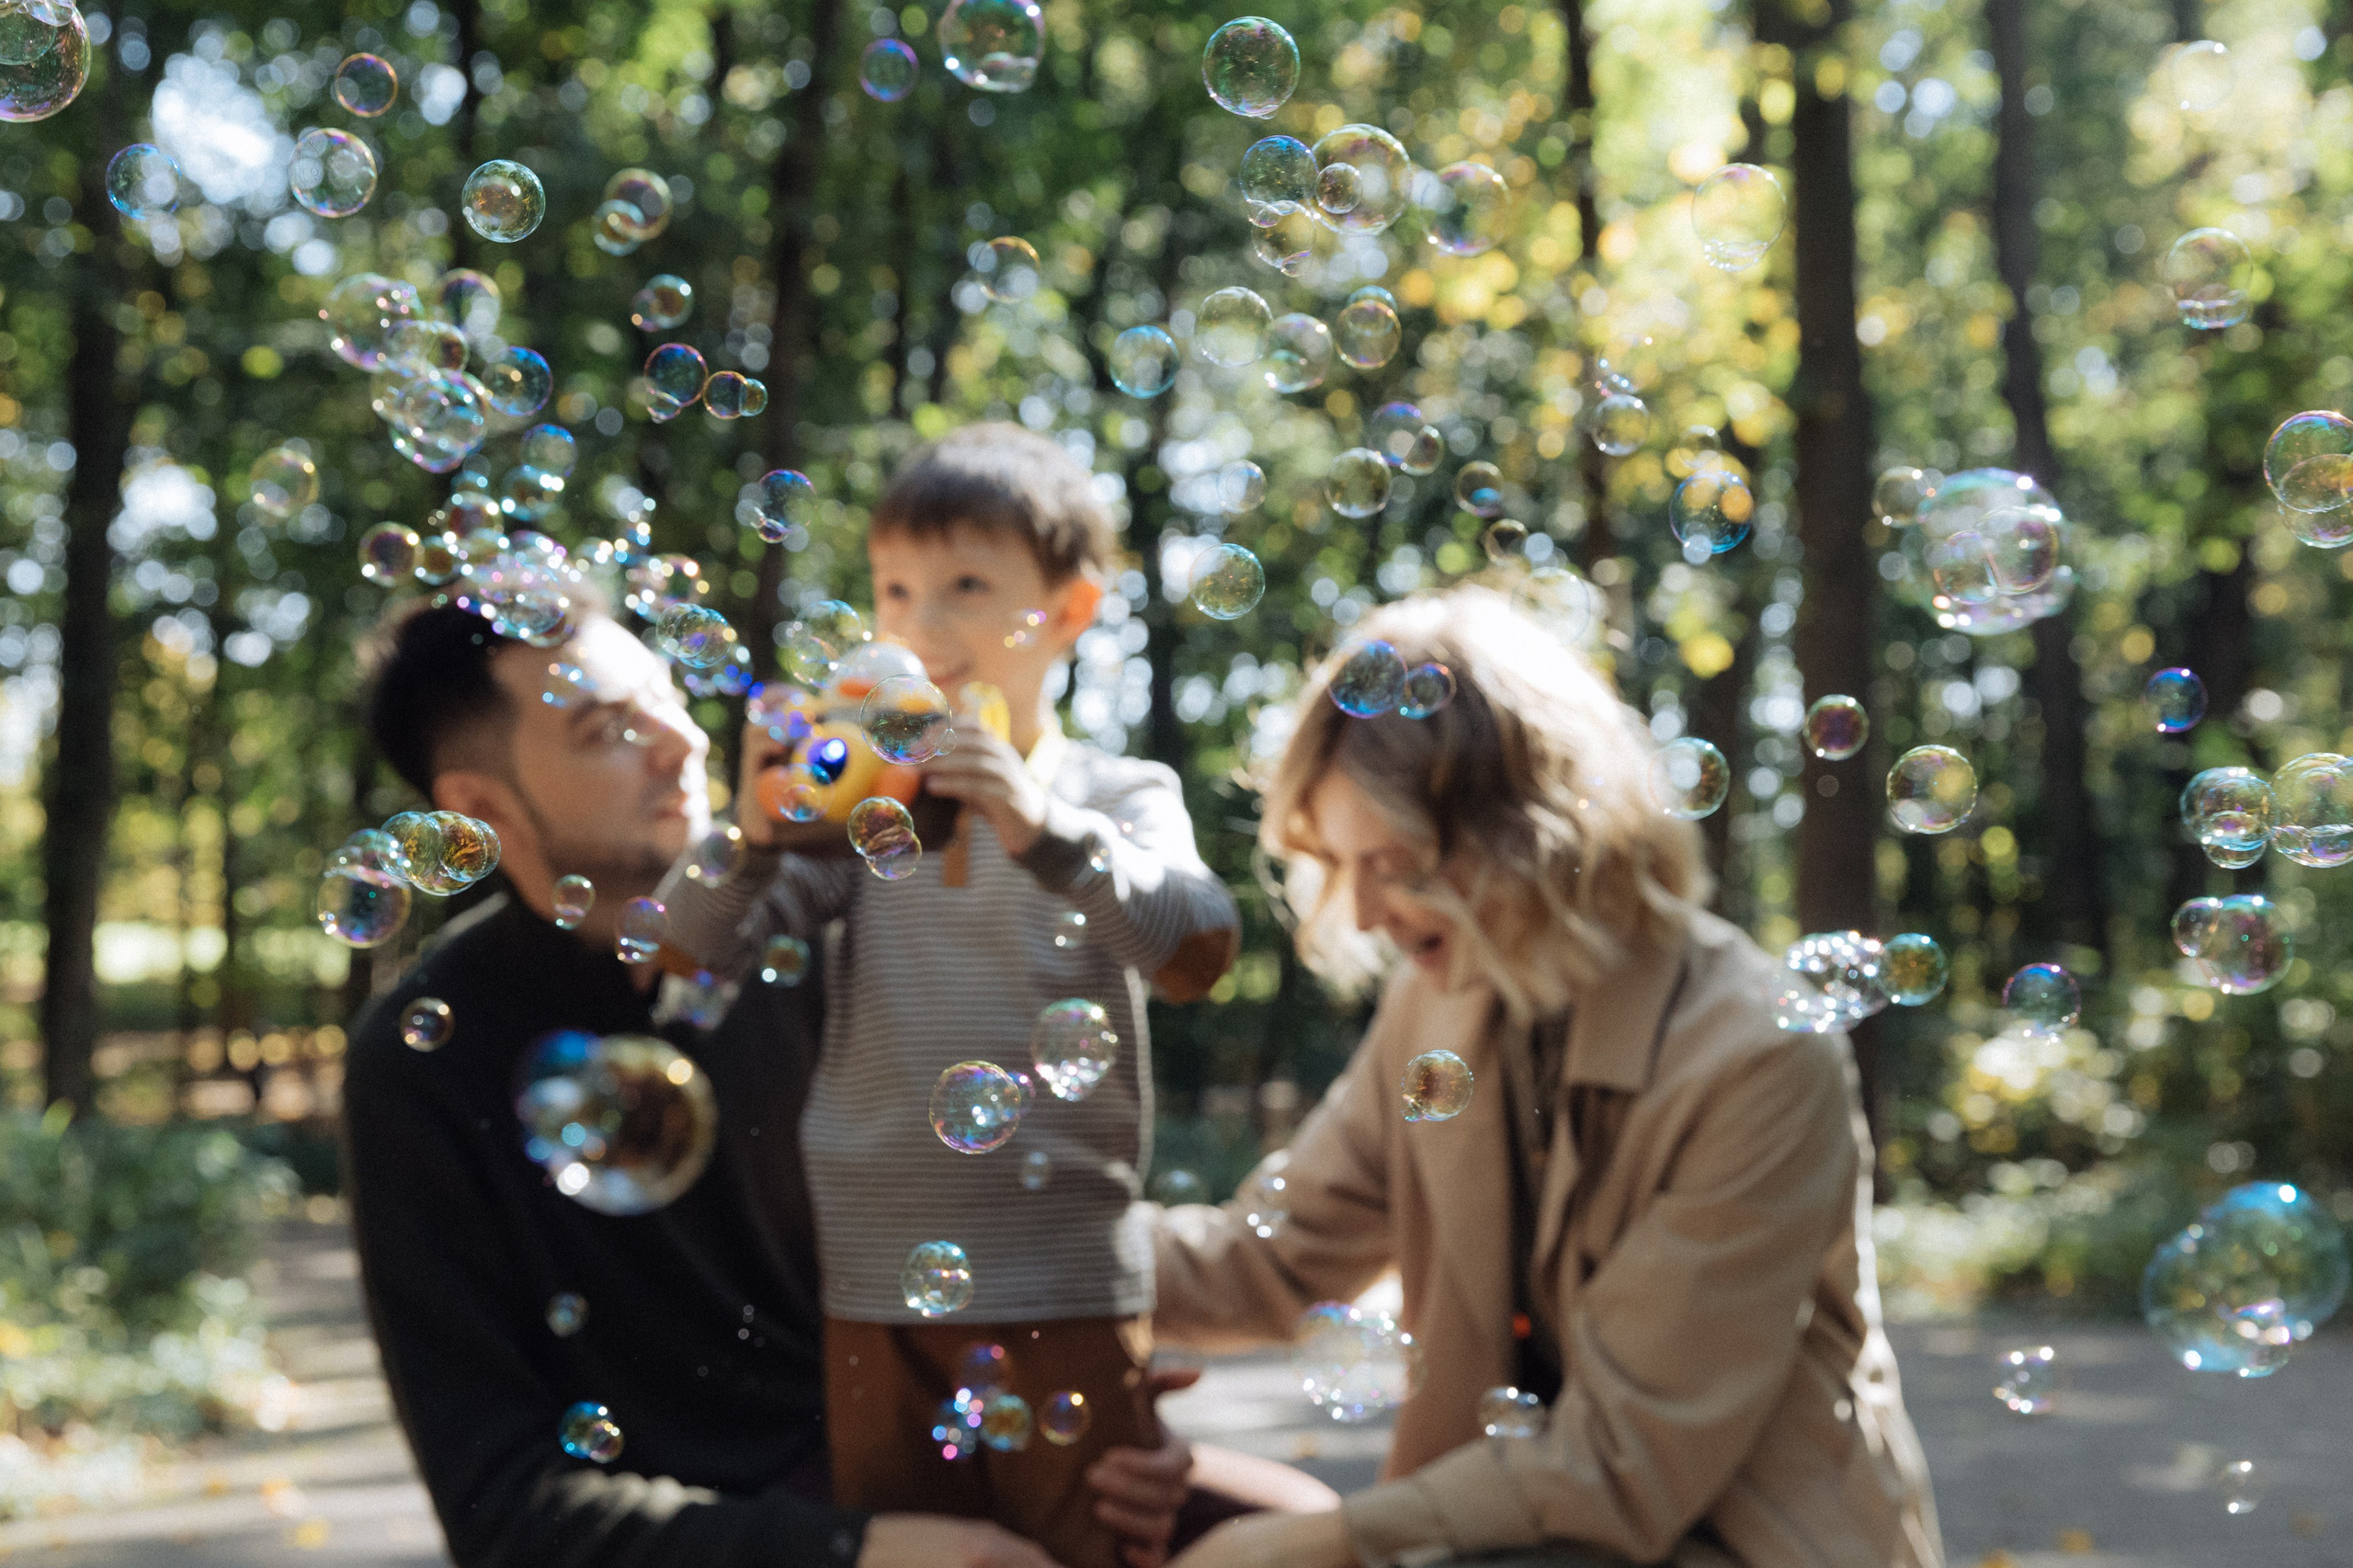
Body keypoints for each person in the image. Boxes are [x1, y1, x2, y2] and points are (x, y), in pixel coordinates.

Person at [342, 597, 1199, 1568]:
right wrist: (855, 1549)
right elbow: (503, 1506)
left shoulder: (811, 933)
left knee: (1286, 1525)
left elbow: (982, 1200)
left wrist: (1086, 1395)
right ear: (482, 808)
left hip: (928, 1437)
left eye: (665, 696)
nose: (677, 742)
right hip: (736, 1531)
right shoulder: (426, 1056)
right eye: (607, 729)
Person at [1147, 588, 1945, 1568]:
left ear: (1527, 831)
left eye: (1393, 862)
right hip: (1514, 1525)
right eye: (1339, 864)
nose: (1358, 914)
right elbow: (1267, 1261)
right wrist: (1014, 1243)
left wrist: (1326, 1540)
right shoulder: (1435, 1004)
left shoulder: (1756, 1054)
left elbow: (1620, 1457)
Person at [660, 425, 1245, 1568]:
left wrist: (1037, 822)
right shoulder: (860, 823)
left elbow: (1196, 949)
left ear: (1071, 612)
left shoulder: (1116, 794)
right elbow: (687, 955)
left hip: (1068, 1287)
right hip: (876, 1289)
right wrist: (746, 829)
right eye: (895, 589)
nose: (921, 624)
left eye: (967, 585)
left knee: (1089, 1550)